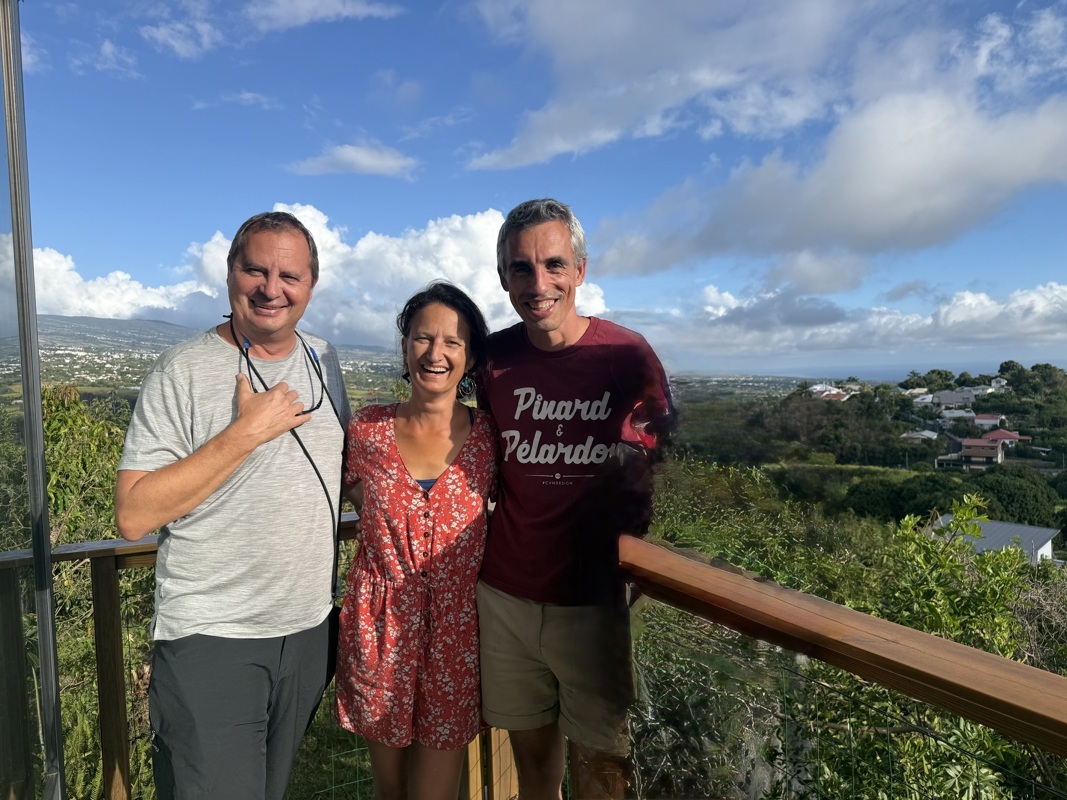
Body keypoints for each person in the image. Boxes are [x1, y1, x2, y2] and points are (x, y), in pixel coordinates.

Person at [114, 211, 350, 800]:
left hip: (307, 630)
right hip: (213, 636)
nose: (272, 288)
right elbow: (134, 513)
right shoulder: (182, 372)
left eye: (289, 275)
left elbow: (340, 473)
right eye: (256, 270)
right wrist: (245, 433)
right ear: (229, 275)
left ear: (311, 286)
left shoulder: (324, 359)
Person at [477, 199, 675, 800]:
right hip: (507, 595)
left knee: (605, 770)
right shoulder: (495, 360)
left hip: (593, 604)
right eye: (520, 268)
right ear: (505, 277)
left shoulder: (625, 356)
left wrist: (633, 563)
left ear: (580, 270)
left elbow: (659, 465)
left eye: (553, 264)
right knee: (533, 769)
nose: (539, 284)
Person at [336, 282, 498, 800]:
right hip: (379, 634)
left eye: (453, 342)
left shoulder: (489, 437)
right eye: (423, 338)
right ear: (405, 347)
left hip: (457, 637)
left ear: (470, 356)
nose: (436, 353)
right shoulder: (366, 430)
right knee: (390, 790)